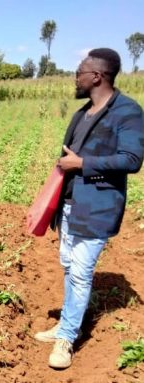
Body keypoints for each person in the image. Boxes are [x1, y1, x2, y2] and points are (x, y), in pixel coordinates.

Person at [33, 48, 144, 369]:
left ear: (97, 76)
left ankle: (67, 337)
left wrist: (82, 163)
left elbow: (132, 160)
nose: (75, 77)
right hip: (69, 205)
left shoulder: (127, 112)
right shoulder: (82, 114)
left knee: (80, 274)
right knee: (69, 266)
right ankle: (68, 322)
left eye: (79, 72)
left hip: (96, 208)